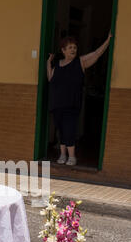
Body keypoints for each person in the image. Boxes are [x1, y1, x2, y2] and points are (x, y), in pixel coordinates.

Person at [47, 31, 113, 166]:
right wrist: (49, 61)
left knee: (69, 130)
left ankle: (72, 157)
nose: (73, 50)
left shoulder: (80, 62)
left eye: (75, 48)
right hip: (57, 105)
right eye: (70, 47)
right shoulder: (57, 65)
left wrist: (108, 40)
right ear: (63, 50)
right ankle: (62, 155)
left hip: (72, 105)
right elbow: (50, 78)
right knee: (61, 131)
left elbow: (96, 54)